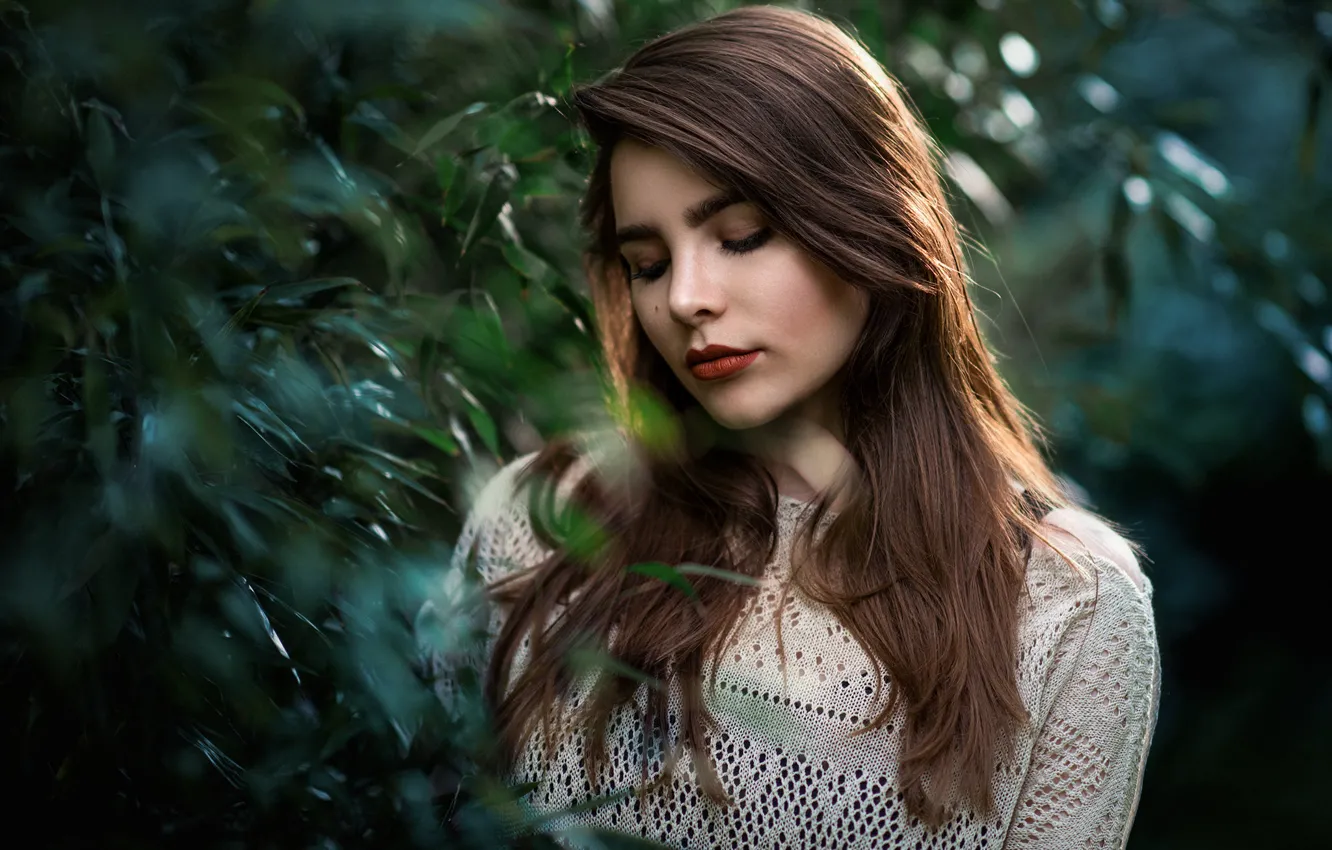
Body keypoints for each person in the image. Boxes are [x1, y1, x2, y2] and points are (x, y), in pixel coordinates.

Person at [420, 5, 1161, 848]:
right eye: (647, 265)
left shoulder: (1067, 607)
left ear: (873, 224)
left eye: (741, 237)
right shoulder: (541, 521)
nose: (685, 298)